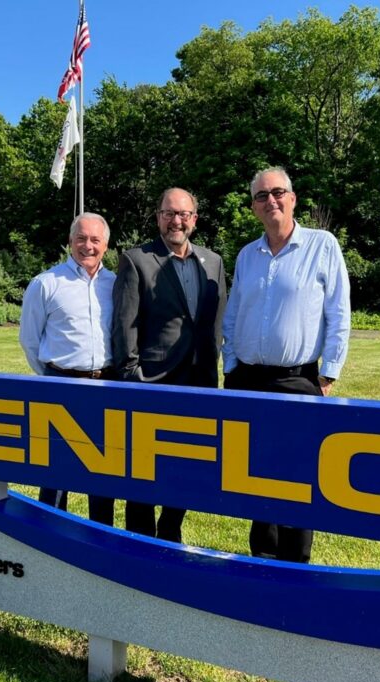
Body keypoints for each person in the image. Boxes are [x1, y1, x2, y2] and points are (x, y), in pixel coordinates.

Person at [222, 167, 351, 563]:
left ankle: (296, 564)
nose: (270, 200)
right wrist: (229, 365)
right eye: (261, 196)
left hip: (296, 380)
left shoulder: (322, 245)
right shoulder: (248, 254)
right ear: (254, 207)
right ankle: (262, 558)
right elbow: (233, 313)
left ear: (293, 198)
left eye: (278, 192)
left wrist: (328, 370)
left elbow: (339, 311)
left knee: (297, 477)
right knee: (255, 475)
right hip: (246, 379)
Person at [112, 187, 227, 542]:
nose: (176, 220)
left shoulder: (214, 261)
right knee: (144, 468)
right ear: (158, 216)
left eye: (183, 214)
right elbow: (124, 324)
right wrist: (133, 376)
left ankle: (171, 528)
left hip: (199, 383)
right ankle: (140, 538)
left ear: (194, 219)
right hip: (153, 382)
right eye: (168, 213)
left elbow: (217, 321)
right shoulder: (137, 259)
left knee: (188, 465)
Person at [20, 212, 116, 526]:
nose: (87, 246)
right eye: (81, 238)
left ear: (106, 244)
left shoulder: (116, 285)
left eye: (95, 239)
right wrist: (53, 377)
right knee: (57, 469)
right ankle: (51, 534)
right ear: (70, 241)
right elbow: (30, 341)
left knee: (104, 469)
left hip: (106, 385)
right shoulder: (46, 283)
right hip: (61, 383)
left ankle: (102, 536)